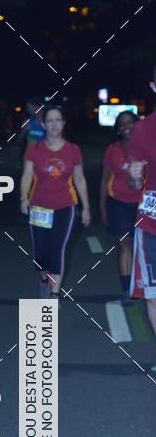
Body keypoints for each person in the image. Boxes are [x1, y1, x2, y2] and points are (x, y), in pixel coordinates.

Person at [20, 104, 91, 299]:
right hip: (39, 207)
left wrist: (86, 207)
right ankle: (43, 277)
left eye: (58, 120)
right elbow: (26, 177)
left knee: (58, 248)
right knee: (41, 253)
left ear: (63, 123)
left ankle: (54, 293)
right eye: (49, 121)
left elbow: (80, 179)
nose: (54, 124)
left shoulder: (73, 150)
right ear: (43, 124)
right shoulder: (34, 149)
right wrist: (24, 198)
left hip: (65, 206)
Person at [128, 63, 156, 357]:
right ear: (153, 87)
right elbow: (134, 181)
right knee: (154, 296)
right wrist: (135, 176)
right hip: (151, 225)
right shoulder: (141, 130)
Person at [99, 110, 141, 304]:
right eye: (122, 123)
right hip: (118, 204)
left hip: (144, 205)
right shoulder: (112, 150)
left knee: (144, 247)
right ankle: (127, 290)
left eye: (130, 122)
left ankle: (144, 285)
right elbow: (104, 178)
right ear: (118, 128)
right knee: (126, 245)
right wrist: (102, 207)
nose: (126, 127)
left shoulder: (148, 146)